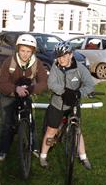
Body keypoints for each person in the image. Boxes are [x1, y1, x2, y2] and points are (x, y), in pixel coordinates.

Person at [39, 41, 94, 170]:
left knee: (77, 130)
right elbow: (51, 83)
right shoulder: (55, 66)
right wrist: (64, 92)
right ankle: (43, 156)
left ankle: (83, 156)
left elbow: (90, 85)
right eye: (59, 56)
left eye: (64, 56)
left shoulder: (80, 68)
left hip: (73, 103)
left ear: (71, 55)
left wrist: (79, 93)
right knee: (51, 130)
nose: (61, 59)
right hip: (58, 103)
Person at [0, 34, 48, 161]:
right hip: (9, 95)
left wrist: (31, 89)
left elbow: (44, 83)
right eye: (22, 50)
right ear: (18, 49)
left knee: (30, 119)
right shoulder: (9, 62)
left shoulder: (37, 63)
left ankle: (34, 146)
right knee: (7, 122)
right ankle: (3, 149)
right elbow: (2, 84)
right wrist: (15, 89)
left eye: (28, 51)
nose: (25, 54)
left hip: (26, 94)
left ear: (33, 51)